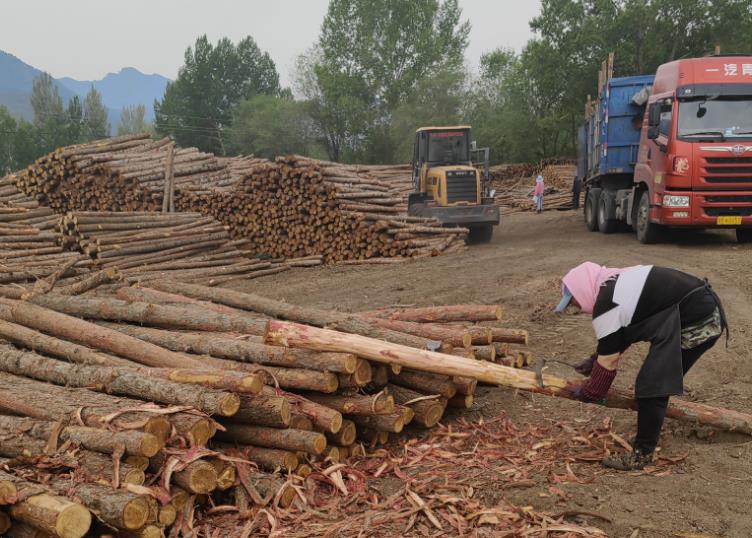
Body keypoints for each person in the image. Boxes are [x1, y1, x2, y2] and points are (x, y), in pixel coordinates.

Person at [554, 262, 727, 471]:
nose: (575, 307)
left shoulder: (606, 302)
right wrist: (594, 361)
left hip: (699, 321)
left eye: (573, 301)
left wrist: (592, 391)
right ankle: (651, 425)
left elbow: (609, 361)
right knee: (654, 383)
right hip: (696, 309)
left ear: (582, 290)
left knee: (652, 385)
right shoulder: (614, 282)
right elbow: (622, 333)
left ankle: (642, 455)